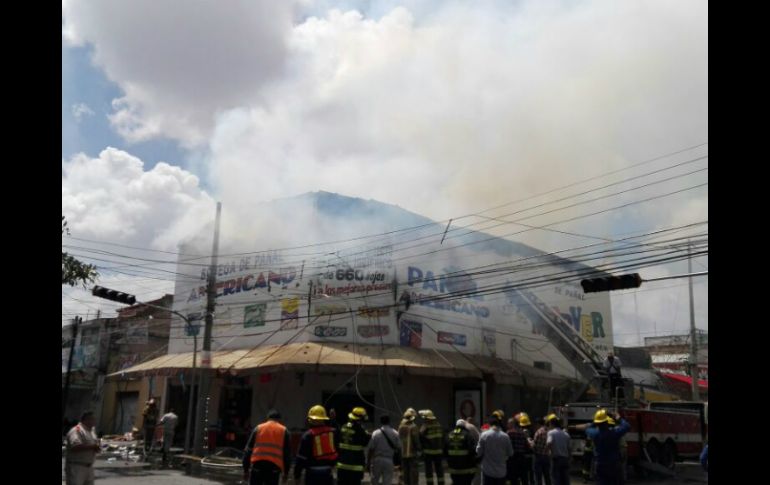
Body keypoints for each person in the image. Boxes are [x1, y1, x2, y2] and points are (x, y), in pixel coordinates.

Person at [243, 409, 293, 485]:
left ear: (267, 418)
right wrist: (286, 473)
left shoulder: (258, 428)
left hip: (257, 466)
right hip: (274, 469)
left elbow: (248, 451)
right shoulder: (284, 431)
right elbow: (287, 455)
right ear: (279, 420)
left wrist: (246, 470)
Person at [295, 405, 338, 485]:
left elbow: (301, 458)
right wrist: (333, 420)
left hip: (312, 474)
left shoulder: (308, 435)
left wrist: (297, 476)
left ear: (311, 420)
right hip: (327, 473)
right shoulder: (332, 433)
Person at [584, 410, 629, 485]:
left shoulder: (594, 434)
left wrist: (595, 421)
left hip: (601, 465)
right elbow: (626, 426)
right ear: (606, 423)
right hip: (614, 465)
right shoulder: (614, 433)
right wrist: (618, 418)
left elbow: (587, 429)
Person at [476, 411, 513, 485]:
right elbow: (510, 453)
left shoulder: (484, 435)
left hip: (487, 472)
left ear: (489, 424)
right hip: (501, 472)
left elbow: (478, 452)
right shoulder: (505, 436)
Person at [337, 407, 371, 485]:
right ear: (360, 419)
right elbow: (365, 442)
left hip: (342, 465)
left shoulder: (343, 427)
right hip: (355, 467)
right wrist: (368, 435)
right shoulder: (360, 430)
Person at [65, 411, 100, 485]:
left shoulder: (91, 431)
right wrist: (93, 446)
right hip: (77, 466)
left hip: (89, 466)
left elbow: (94, 444)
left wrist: (96, 448)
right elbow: (75, 446)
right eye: (92, 419)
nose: (94, 421)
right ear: (86, 420)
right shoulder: (77, 430)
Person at [368, 415, 401, 485]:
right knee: (387, 481)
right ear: (389, 421)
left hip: (377, 460)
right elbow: (399, 448)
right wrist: (400, 462)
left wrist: (368, 462)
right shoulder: (395, 433)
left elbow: (371, 448)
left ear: (381, 422)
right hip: (389, 460)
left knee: (374, 481)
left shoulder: (375, 433)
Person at [445, 420, 477, 485]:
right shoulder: (468, 435)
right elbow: (472, 450)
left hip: (453, 468)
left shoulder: (449, 434)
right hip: (466, 469)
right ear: (464, 426)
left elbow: (445, 450)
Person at [419, 409, 446, 485]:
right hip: (439, 452)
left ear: (427, 418)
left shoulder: (426, 426)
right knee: (439, 469)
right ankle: (441, 483)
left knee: (429, 470)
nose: (424, 420)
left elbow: (420, 436)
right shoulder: (439, 425)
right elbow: (443, 437)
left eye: (425, 418)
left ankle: (430, 483)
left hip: (428, 452)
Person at [399, 408, 422, 485]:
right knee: (414, 474)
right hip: (412, 454)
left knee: (405, 473)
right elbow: (416, 441)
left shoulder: (401, 426)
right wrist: (419, 449)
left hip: (403, 454)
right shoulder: (413, 426)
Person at [546, 414, 570, 485]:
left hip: (556, 459)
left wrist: (549, 452)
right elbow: (569, 448)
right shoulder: (566, 434)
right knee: (565, 480)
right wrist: (570, 459)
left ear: (551, 424)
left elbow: (549, 443)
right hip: (565, 459)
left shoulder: (551, 433)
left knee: (556, 479)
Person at [506, 417, 531, 485]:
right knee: (524, 478)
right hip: (522, 458)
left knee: (513, 478)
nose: (507, 425)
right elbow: (527, 446)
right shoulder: (522, 433)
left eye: (508, 423)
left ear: (513, 424)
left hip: (512, 458)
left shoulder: (509, 433)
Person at [532, 417, 552, 485]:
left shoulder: (538, 432)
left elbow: (534, 446)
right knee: (547, 476)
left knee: (538, 477)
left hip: (538, 456)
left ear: (538, 424)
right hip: (547, 456)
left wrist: (530, 443)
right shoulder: (549, 432)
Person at [464, 417, 481, 485]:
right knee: (476, 472)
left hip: (464, 453)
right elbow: (479, 438)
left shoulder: (463, 427)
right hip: (473, 451)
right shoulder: (472, 427)